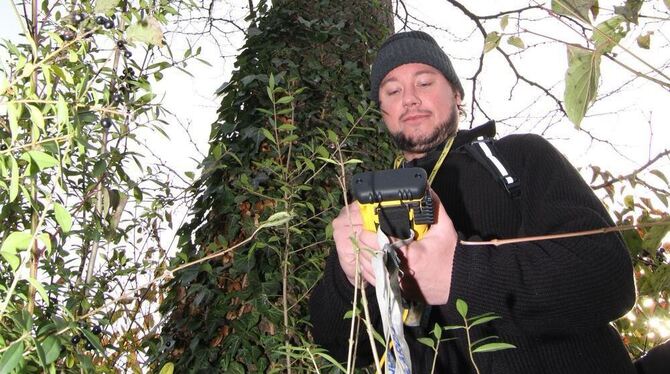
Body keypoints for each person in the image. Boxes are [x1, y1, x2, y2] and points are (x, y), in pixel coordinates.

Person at [309, 30, 637, 373]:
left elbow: (607, 275)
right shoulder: (370, 203)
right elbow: (339, 347)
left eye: (424, 83)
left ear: (456, 93)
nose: (409, 98)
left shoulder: (517, 157)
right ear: (383, 111)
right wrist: (350, 281)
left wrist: (458, 276)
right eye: (392, 90)